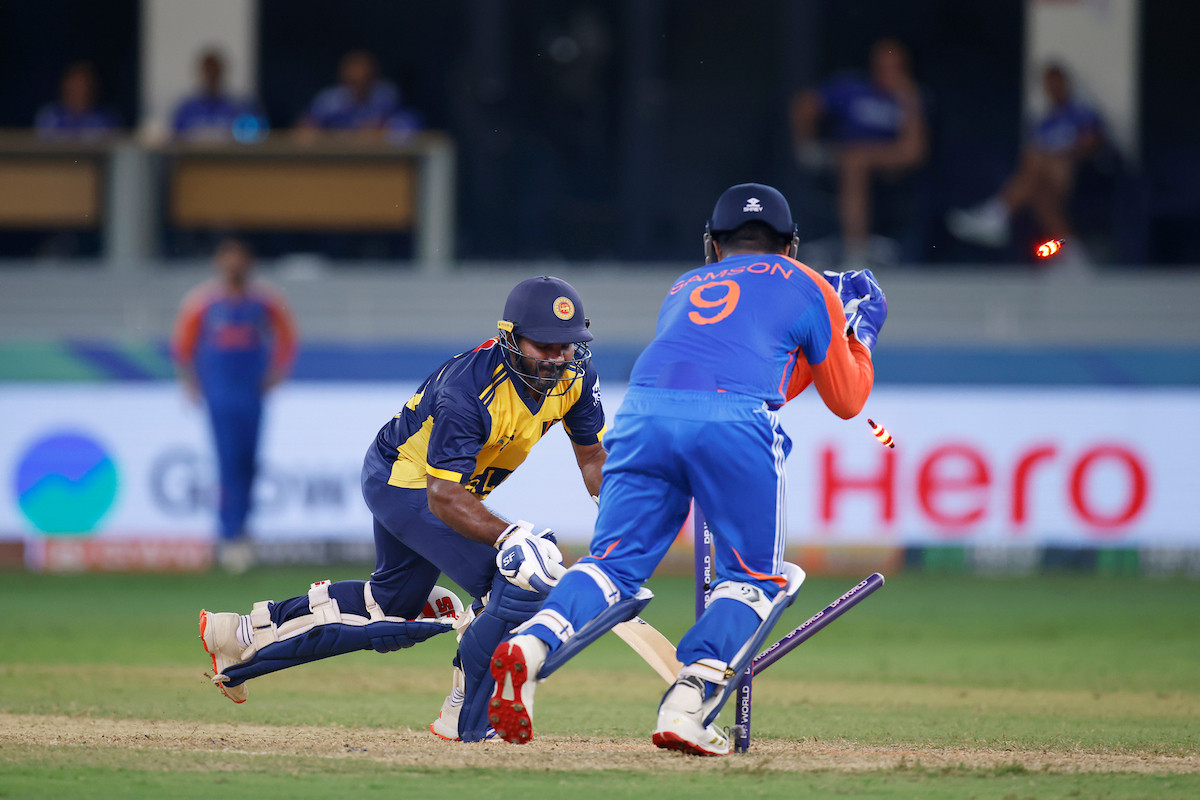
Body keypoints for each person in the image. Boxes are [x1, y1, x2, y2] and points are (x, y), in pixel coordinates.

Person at [487, 183, 886, 756]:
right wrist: (856, 335)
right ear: (790, 245)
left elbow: (758, 373)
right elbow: (845, 400)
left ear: (714, 245)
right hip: (734, 421)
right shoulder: (809, 284)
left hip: (644, 413)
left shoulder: (686, 286)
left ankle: (529, 645)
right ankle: (687, 706)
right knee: (755, 579)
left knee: (611, 565)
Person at [195, 276, 606, 745]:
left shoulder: (575, 377)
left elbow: (593, 458)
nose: (558, 358)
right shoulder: (469, 390)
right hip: (406, 482)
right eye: (545, 346)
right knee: (514, 581)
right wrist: (510, 537)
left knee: (390, 606)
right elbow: (443, 495)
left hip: (442, 487)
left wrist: (623, 523)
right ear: (510, 339)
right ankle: (469, 716)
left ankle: (240, 635)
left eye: (567, 346)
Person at [172, 237, 298, 572]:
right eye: (228, 259)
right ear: (219, 263)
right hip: (219, 395)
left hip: (251, 394)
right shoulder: (203, 302)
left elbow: (288, 337)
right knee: (227, 463)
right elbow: (182, 345)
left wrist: (277, 373)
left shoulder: (265, 301)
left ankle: (243, 532)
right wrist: (190, 382)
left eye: (239, 259)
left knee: (249, 463)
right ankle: (229, 538)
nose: (234, 266)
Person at [790, 38, 928, 265]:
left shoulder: (909, 97)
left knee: (857, 161)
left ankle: (856, 247)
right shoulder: (853, 88)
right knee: (854, 162)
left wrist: (907, 99)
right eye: (882, 66)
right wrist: (807, 144)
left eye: (894, 67)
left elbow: (914, 150)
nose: (887, 73)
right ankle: (855, 245)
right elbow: (805, 104)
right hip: (842, 156)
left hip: (890, 163)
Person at [946, 62, 1105, 255]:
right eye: (1049, 84)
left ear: (1065, 83)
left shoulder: (1080, 112)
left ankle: (997, 215)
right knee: (1039, 192)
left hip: (1075, 172)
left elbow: (1091, 144)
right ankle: (1070, 250)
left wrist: (1059, 155)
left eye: (1057, 82)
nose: (1053, 88)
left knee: (1035, 159)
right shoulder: (1044, 122)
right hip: (1046, 177)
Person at [297, 49, 422, 137]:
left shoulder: (386, 95)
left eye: (364, 79)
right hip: (338, 155)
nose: (358, 85)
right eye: (352, 81)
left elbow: (409, 125)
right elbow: (305, 129)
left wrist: (384, 131)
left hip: (378, 157)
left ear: (373, 78)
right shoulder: (329, 100)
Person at [171, 48, 267, 143]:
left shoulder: (240, 108)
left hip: (230, 153)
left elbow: (258, 136)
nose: (211, 75)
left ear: (222, 72)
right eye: (208, 71)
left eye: (215, 71)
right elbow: (175, 140)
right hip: (194, 153)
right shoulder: (186, 110)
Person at [34, 61, 122, 140]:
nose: (78, 91)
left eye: (83, 86)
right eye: (74, 87)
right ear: (64, 87)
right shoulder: (49, 116)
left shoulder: (106, 119)